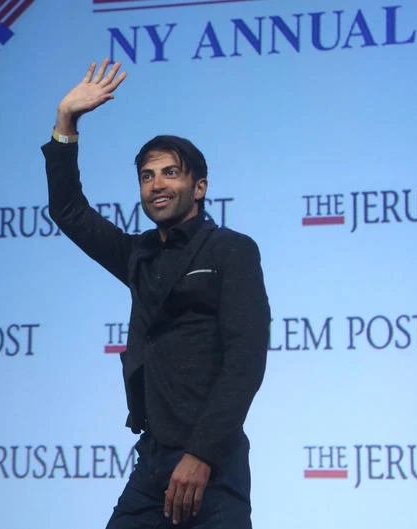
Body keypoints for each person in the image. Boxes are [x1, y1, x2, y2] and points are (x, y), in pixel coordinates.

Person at [42, 59, 271, 528]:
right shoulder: (138, 255)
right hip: (152, 462)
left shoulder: (232, 250)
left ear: (199, 187)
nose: (157, 185)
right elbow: (69, 211)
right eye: (147, 176)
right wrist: (66, 123)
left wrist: (201, 454)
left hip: (213, 462)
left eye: (170, 173)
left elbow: (245, 360)